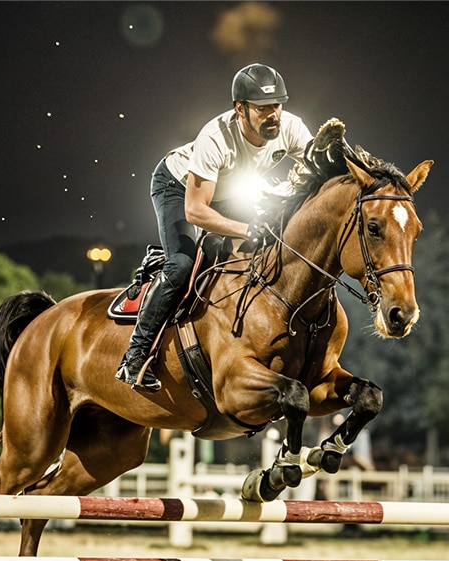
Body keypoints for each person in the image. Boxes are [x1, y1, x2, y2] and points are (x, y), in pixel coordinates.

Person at [116, 63, 315, 391]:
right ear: (240, 109)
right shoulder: (216, 137)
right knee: (181, 264)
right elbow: (195, 212)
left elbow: (323, 166)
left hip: (228, 189)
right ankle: (134, 356)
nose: (273, 115)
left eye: (277, 106)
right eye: (263, 109)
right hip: (179, 187)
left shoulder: (292, 127)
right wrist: (246, 229)